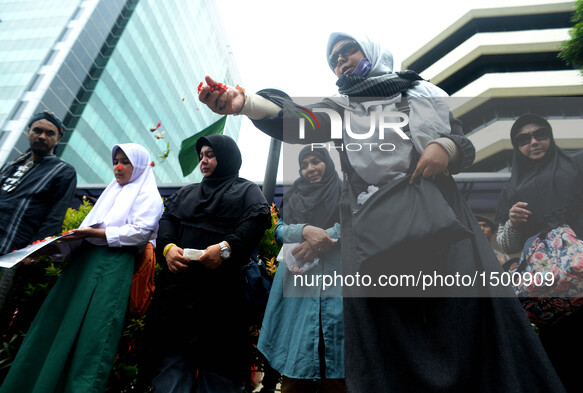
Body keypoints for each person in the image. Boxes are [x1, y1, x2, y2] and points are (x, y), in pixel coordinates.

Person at [199, 33, 566, 392]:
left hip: (442, 225)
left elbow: (463, 143)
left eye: (348, 51)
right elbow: (299, 122)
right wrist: (245, 103)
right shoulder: (340, 110)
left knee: (467, 324)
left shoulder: (421, 95)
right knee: (389, 341)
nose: (340, 60)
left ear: (371, 50)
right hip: (377, 238)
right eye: (334, 59)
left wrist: (445, 147)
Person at [0, 143, 163, 393]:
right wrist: (54, 247)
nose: (117, 167)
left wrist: (93, 233)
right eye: (115, 161)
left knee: (93, 335)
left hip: (112, 266)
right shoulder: (111, 191)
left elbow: (139, 233)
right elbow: (85, 233)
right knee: (56, 324)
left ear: (140, 166)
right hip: (82, 265)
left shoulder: (148, 195)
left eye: (125, 162)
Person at [146, 134, 270, 393]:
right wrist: (168, 248)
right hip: (176, 298)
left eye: (211, 155)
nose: (204, 160)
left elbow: (257, 220)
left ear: (227, 158)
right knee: (171, 371)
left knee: (218, 375)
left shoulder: (247, 190)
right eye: (202, 155)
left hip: (220, 300)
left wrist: (225, 248)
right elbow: (167, 219)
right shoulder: (187, 192)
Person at [495, 113, 583, 392]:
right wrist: (513, 223)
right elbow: (506, 246)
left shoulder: (578, 164)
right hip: (550, 294)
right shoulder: (512, 189)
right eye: (523, 139)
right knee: (563, 361)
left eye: (540, 134)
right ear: (516, 146)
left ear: (550, 136)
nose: (533, 142)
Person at [258, 145, 345, 393]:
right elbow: (279, 229)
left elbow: (355, 223)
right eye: (304, 164)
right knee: (296, 363)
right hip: (297, 284)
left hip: (335, 284)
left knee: (337, 366)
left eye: (316, 161)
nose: (310, 169)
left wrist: (325, 238)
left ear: (327, 163)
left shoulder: (343, 191)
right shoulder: (294, 194)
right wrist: (305, 230)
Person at [0, 111, 77, 351]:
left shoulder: (62, 171)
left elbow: (55, 216)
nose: (42, 136)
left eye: (49, 133)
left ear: (57, 139)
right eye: (37, 130)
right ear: (28, 132)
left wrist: (35, 251)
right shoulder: (12, 164)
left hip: (11, 253)